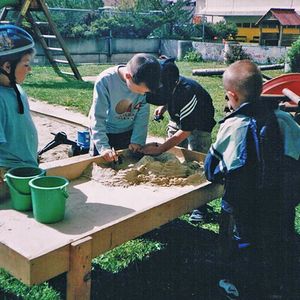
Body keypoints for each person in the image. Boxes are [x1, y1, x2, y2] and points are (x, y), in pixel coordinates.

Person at [204, 60, 300, 299]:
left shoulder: (233, 126)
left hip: (245, 206)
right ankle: (279, 285)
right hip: (282, 203)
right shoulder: (285, 120)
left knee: (243, 244)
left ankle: (240, 285)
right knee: (279, 241)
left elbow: (211, 169)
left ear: (231, 96)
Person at [144, 58, 216, 223]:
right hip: (179, 119)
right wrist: (164, 106)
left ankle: (200, 206)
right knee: (174, 156)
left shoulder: (187, 91)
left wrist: (160, 148)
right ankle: (178, 196)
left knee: (196, 160)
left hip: (199, 124)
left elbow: (186, 130)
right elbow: (169, 97)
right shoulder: (169, 84)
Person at [89, 53, 161, 162]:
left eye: (145, 92)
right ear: (128, 76)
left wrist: (137, 140)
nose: (142, 95)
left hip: (128, 132)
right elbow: (97, 117)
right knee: (103, 165)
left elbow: (142, 116)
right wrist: (103, 147)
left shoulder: (144, 86)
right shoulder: (105, 81)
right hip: (105, 132)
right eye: (139, 91)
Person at [0, 25, 38, 200]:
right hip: (9, 174)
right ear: (7, 66)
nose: (29, 69)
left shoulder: (16, 88)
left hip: (26, 164)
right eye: (26, 64)